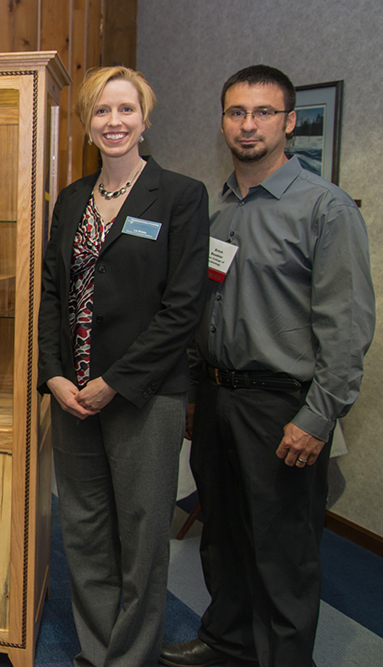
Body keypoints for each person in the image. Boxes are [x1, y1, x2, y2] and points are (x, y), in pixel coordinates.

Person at [160, 65, 374, 667]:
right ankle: (227, 641)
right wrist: (196, 394)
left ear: (290, 122)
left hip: (282, 406)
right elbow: (204, 306)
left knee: (282, 551)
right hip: (217, 397)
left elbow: (347, 329)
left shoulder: (325, 208)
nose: (248, 124)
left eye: (263, 113)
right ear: (223, 122)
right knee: (223, 534)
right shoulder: (219, 208)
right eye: (236, 112)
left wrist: (318, 418)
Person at [37, 66, 209, 667]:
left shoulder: (181, 196)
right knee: (83, 529)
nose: (114, 121)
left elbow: (183, 307)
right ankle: (97, 650)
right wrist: (53, 374)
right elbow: (52, 293)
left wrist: (115, 382)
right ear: (87, 124)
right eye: (101, 111)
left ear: (145, 118)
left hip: (144, 395)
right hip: (72, 396)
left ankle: (131, 658)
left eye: (126, 109)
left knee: (141, 536)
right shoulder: (71, 200)